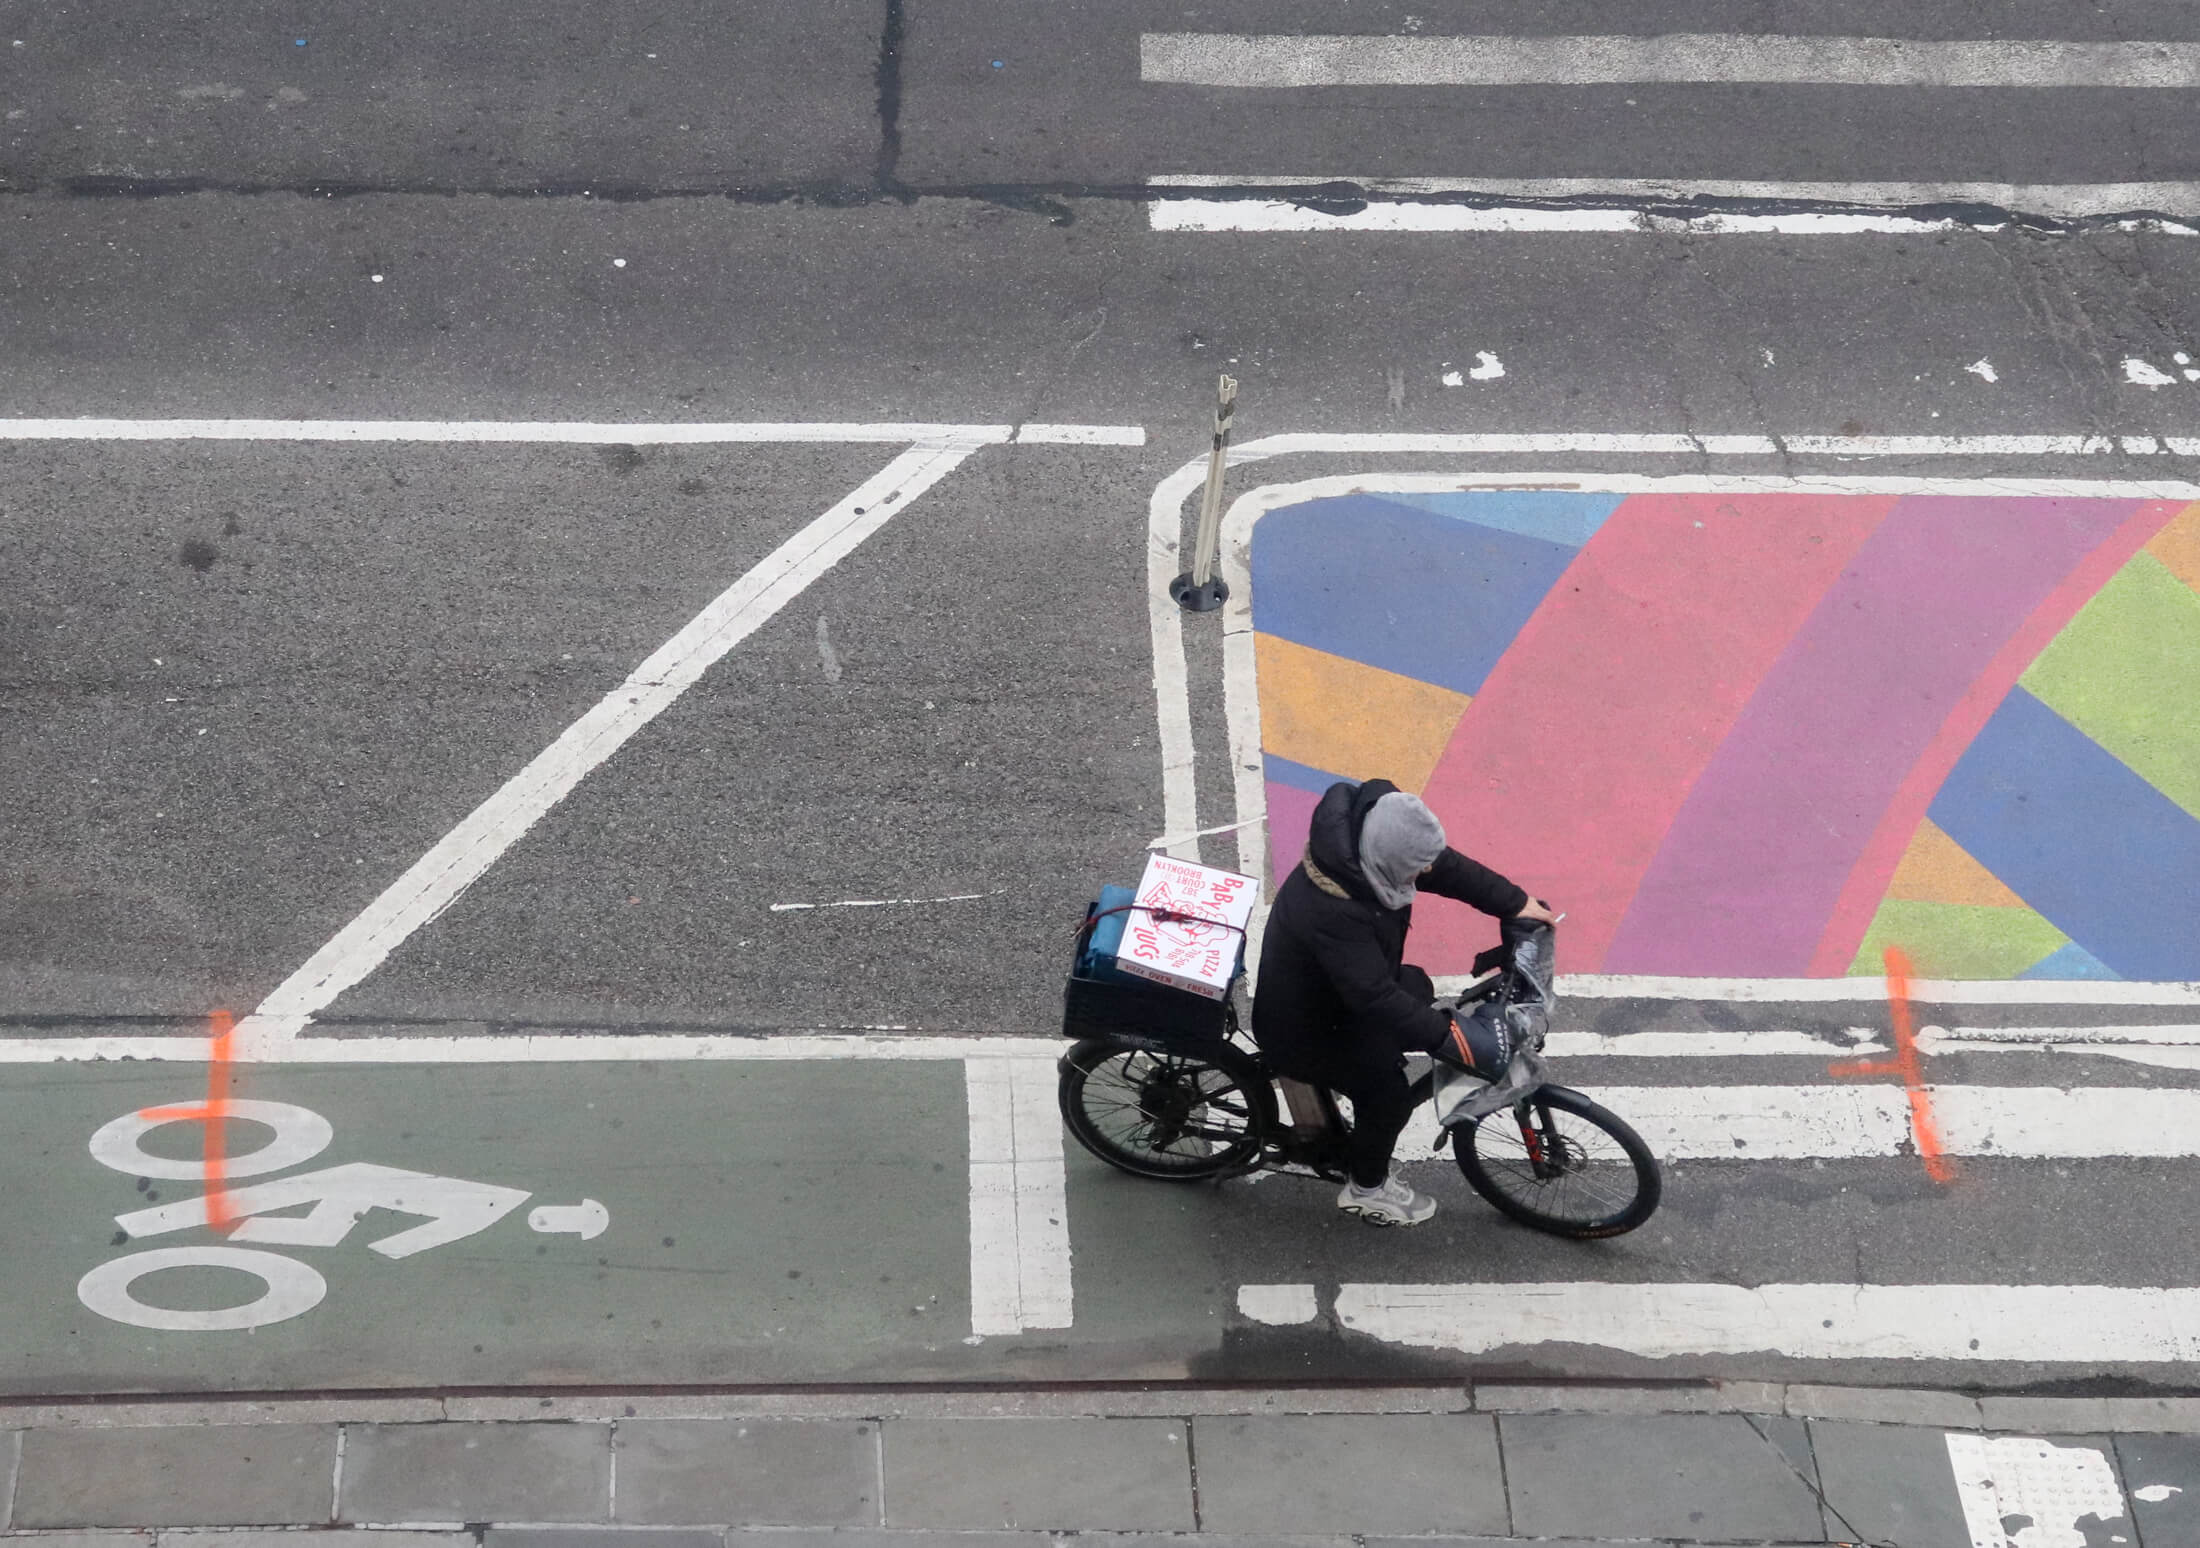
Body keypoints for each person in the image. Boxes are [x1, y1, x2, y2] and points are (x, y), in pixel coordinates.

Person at [1251, 777, 1556, 1226]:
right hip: (1305, 1024)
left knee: (1417, 989)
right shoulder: (1334, 909)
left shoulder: (1366, 850)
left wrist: (1514, 903)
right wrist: (1450, 1039)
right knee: (1388, 1097)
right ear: (1385, 860)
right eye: (1413, 871)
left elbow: (1444, 867)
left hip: (1333, 994)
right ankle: (1366, 1189)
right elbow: (1373, 996)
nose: (1420, 878)